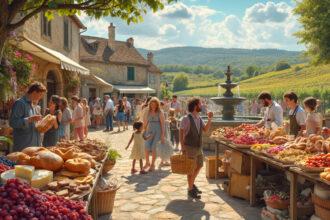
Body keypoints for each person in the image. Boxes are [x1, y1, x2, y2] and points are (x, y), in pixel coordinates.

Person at [180, 97, 213, 199]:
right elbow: (181, 132)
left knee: (199, 165)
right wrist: (182, 147)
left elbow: (206, 130)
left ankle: (191, 184)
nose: (201, 106)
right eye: (200, 104)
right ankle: (190, 189)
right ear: (195, 106)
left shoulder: (199, 118)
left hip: (198, 147)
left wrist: (210, 119)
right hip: (189, 147)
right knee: (190, 169)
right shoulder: (186, 119)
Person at [9, 81, 46, 151]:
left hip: (34, 147)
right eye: (40, 95)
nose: (41, 98)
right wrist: (29, 119)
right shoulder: (20, 103)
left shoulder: (33, 105)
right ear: (34, 92)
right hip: (23, 147)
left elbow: (34, 126)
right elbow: (13, 122)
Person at [143, 97, 165, 172]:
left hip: (157, 131)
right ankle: (147, 162)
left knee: (153, 148)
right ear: (150, 104)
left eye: (155, 104)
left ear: (157, 104)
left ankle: (152, 164)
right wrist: (143, 131)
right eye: (152, 104)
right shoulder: (147, 111)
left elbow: (163, 124)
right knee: (146, 146)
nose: (153, 105)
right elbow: (145, 122)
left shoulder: (160, 112)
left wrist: (162, 135)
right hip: (149, 130)